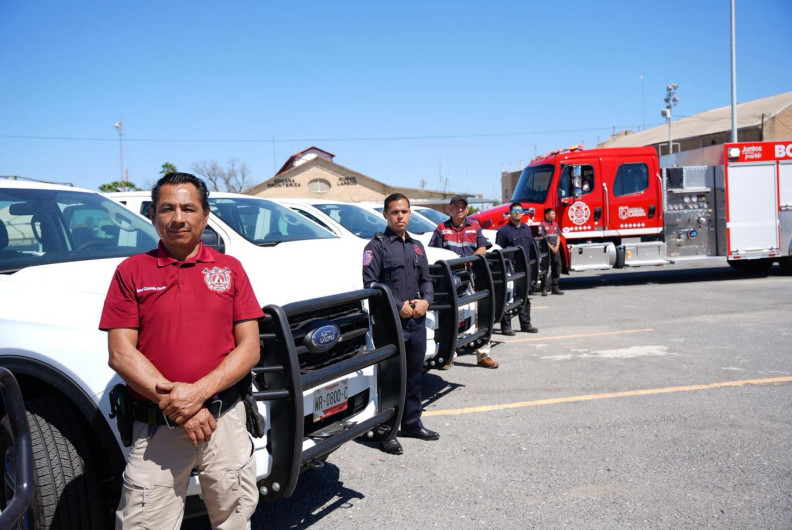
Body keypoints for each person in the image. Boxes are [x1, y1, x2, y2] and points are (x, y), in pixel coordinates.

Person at [100, 172, 262, 528]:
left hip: (225, 420)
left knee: (235, 516)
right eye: (167, 209)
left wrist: (199, 395)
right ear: (152, 215)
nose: (178, 218)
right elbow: (121, 353)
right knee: (144, 522)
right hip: (159, 428)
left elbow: (250, 348)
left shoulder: (230, 269)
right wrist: (184, 409)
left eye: (188, 208)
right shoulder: (131, 272)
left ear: (205, 215)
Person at [362, 193, 438, 455]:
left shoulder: (417, 246)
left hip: (416, 320)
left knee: (415, 374)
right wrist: (398, 305)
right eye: (394, 212)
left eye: (404, 211)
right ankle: (387, 432)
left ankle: (412, 423)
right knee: (391, 378)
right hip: (390, 323)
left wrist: (427, 300)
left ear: (410, 213)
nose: (400, 216)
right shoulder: (376, 247)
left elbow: (426, 279)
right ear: (385, 214)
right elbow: (371, 284)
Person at [428, 195, 499, 369]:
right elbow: (433, 251)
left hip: (471, 277)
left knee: (478, 314)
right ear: (449, 209)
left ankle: (483, 354)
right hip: (450, 281)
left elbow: (483, 247)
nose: (460, 209)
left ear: (467, 210)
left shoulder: (475, 227)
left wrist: (474, 258)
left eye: (463, 207)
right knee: (451, 317)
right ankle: (449, 355)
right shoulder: (441, 229)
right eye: (456, 206)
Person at [495, 202, 539, 335]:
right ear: (510, 213)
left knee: (524, 296)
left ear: (523, 212)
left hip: (525, 268)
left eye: (520, 211)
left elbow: (531, 249)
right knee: (508, 298)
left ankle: (526, 324)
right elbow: (498, 250)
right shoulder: (503, 231)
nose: (517, 213)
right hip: (509, 270)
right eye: (514, 211)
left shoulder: (527, 229)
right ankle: (506, 327)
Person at [539, 208, 564, 296]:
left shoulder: (556, 224)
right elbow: (544, 238)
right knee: (545, 269)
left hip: (555, 249)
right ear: (547, 215)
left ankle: (555, 288)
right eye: (552, 214)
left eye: (554, 214)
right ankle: (544, 289)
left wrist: (557, 247)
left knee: (557, 267)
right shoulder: (542, 225)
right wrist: (551, 247)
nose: (554, 216)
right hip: (546, 250)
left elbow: (558, 236)